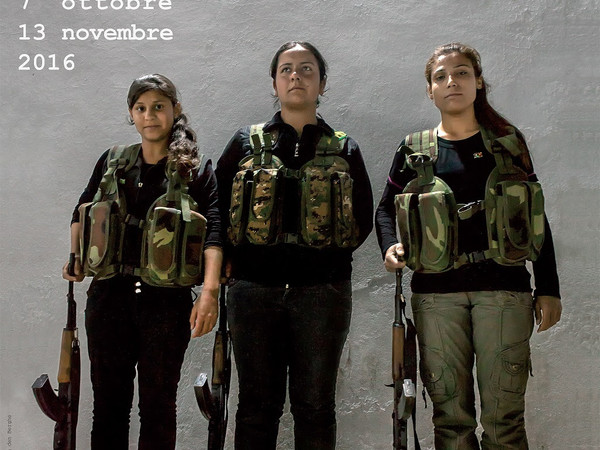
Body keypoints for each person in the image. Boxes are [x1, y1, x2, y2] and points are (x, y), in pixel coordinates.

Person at [375, 42, 562, 449]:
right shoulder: (414, 150)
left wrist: (547, 286)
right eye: (440, 77)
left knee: (504, 422)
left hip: (505, 291)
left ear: (478, 81)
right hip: (436, 297)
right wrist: (390, 248)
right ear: (430, 90)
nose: (451, 82)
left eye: (461, 73)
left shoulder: (507, 143)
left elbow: (535, 216)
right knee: (450, 421)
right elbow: (385, 211)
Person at [216, 41, 373, 449]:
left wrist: (320, 258)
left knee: (316, 407)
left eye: (306, 69)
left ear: (322, 82)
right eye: (286, 69)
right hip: (252, 292)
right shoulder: (246, 142)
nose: (296, 76)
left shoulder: (343, 147)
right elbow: (214, 210)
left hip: (323, 293)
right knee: (255, 407)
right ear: (274, 82)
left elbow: (364, 216)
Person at [62, 73, 223, 449]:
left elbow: (215, 233)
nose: (150, 115)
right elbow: (81, 211)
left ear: (175, 110)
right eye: (141, 108)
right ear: (131, 115)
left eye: (158, 107)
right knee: (108, 406)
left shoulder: (194, 170)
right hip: (108, 299)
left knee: (158, 406)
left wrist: (209, 292)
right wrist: (76, 259)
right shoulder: (113, 161)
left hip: (165, 305)